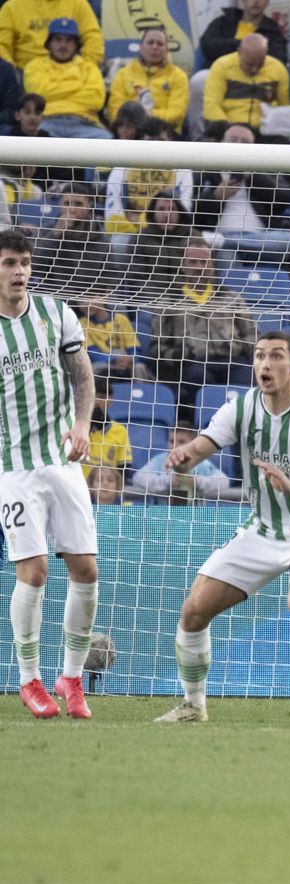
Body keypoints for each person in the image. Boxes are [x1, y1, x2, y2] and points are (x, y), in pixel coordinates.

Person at [154, 332, 290, 723]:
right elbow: (201, 448)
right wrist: (182, 457)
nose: (265, 364)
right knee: (193, 611)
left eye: (276, 356)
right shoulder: (241, 408)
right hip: (262, 529)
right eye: (260, 356)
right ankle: (193, 704)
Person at [0, 229, 99, 720]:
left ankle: (72, 677)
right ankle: (29, 679)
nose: (19, 271)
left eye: (24, 263)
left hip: (61, 461)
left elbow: (82, 375)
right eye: (9, 263)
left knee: (86, 569)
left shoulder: (55, 313)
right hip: (13, 467)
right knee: (33, 570)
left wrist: (82, 423)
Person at [147, 238, 257, 410]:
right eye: (193, 262)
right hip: (194, 364)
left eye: (204, 262)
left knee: (246, 382)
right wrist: (177, 355)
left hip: (233, 361)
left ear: (212, 265)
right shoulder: (168, 302)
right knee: (200, 381)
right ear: (183, 266)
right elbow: (156, 347)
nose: (199, 267)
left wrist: (253, 352)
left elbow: (251, 334)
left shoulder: (232, 298)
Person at [193, 124, 290, 273]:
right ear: (222, 143)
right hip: (223, 237)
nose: (238, 145)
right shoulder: (204, 170)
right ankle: (225, 243)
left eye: (244, 142)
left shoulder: (264, 169)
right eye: (233, 140)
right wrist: (215, 197)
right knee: (225, 254)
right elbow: (189, 210)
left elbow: (284, 198)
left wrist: (253, 174)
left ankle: (225, 242)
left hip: (262, 240)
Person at [23, 18, 108, 139]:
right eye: (58, 40)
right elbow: (39, 95)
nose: (63, 45)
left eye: (68, 40)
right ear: (49, 43)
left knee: (108, 143)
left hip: (84, 125)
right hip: (46, 122)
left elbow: (96, 100)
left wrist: (55, 89)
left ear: (76, 44)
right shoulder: (34, 66)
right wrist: (77, 85)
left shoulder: (89, 67)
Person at [30, 182, 115, 293]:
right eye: (67, 204)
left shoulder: (101, 238)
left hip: (90, 299)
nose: (72, 210)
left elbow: (111, 275)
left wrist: (98, 295)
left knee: (118, 308)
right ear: (60, 205)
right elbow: (34, 268)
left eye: (78, 204)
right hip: (56, 298)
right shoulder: (46, 232)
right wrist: (55, 234)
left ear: (89, 205)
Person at [201, 33, 289, 135]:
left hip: (263, 131)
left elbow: (285, 108)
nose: (254, 69)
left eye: (260, 64)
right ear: (239, 53)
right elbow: (211, 106)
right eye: (249, 64)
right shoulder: (222, 66)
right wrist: (230, 128)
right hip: (227, 129)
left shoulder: (278, 69)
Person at [107, 27, 188, 133]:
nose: (155, 47)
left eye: (160, 44)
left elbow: (176, 115)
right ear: (141, 47)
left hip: (163, 133)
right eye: (150, 42)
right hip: (129, 132)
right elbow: (114, 111)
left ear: (167, 50)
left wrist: (143, 115)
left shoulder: (178, 76)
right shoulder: (123, 74)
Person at [130, 421, 230, 500]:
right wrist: (167, 481)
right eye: (171, 441)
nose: (174, 446)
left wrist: (197, 481)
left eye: (181, 442)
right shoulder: (159, 460)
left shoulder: (201, 462)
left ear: (193, 443)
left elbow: (224, 481)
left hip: (194, 517)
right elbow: (138, 478)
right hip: (161, 516)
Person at [0, 0, 103, 70]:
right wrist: (12, 73)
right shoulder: (12, 7)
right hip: (25, 75)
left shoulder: (78, 4)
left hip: (71, 73)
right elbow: (2, 46)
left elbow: (93, 38)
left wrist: (84, 68)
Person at [199, 0, 288, 66]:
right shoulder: (224, 21)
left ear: (267, 2)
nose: (256, 1)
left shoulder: (272, 30)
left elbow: (278, 60)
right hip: (219, 74)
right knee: (200, 79)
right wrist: (246, 45)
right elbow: (207, 45)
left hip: (255, 80)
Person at [84, 373, 130, 473]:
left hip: (105, 485)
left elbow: (124, 468)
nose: (100, 401)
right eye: (98, 396)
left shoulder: (120, 430)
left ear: (111, 401)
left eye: (104, 397)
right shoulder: (76, 427)